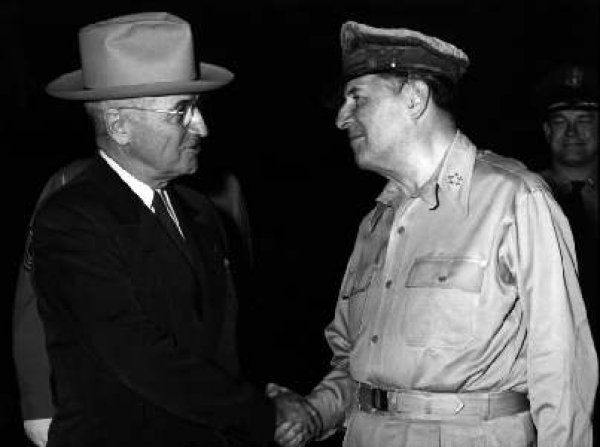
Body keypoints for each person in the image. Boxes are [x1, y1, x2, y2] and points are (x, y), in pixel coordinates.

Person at [273, 21, 598, 447]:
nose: (341, 118)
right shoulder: (376, 222)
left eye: (358, 98)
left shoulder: (512, 199)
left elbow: (562, 372)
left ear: (414, 97)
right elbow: (357, 364)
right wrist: (316, 412)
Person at [27, 11, 317, 447]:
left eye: (197, 108)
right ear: (119, 125)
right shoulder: (71, 220)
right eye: (180, 111)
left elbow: (217, 349)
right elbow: (141, 359)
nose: (202, 126)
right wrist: (263, 413)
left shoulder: (200, 212)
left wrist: (254, 399)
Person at [13, 160, 254, 447]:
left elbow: (230, 308)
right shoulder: (76, 183)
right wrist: (39, 405)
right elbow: (35, 297)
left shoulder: (218, 191)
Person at [534, 64, 598, 337]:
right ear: (548, 132)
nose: (572, 133)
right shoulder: (519, 196)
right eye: (561, 122)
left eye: (584, 121)